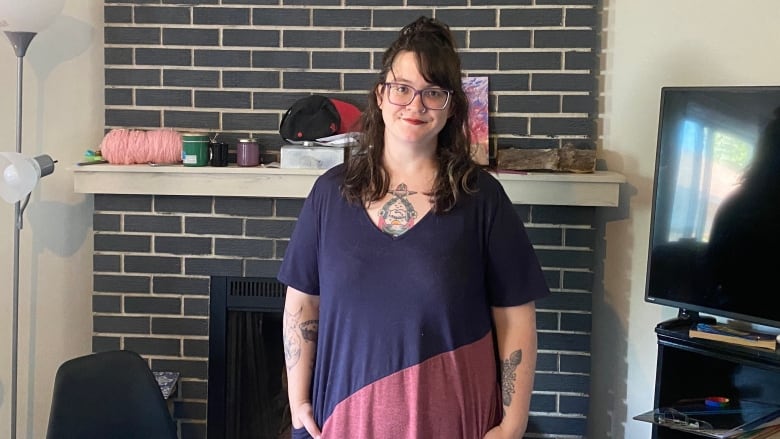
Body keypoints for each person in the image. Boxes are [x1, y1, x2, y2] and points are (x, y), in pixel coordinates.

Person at [277, 16, 550, 439]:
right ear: (380, 97)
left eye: (433, 92)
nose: (415, 105)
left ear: (452, 106)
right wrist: (298, 403)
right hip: (341, 422)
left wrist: (512, 426)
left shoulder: (482, 200)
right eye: (402, 88)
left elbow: (516, 317)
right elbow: (302, 304)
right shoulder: (329, 196)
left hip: (453, 425)